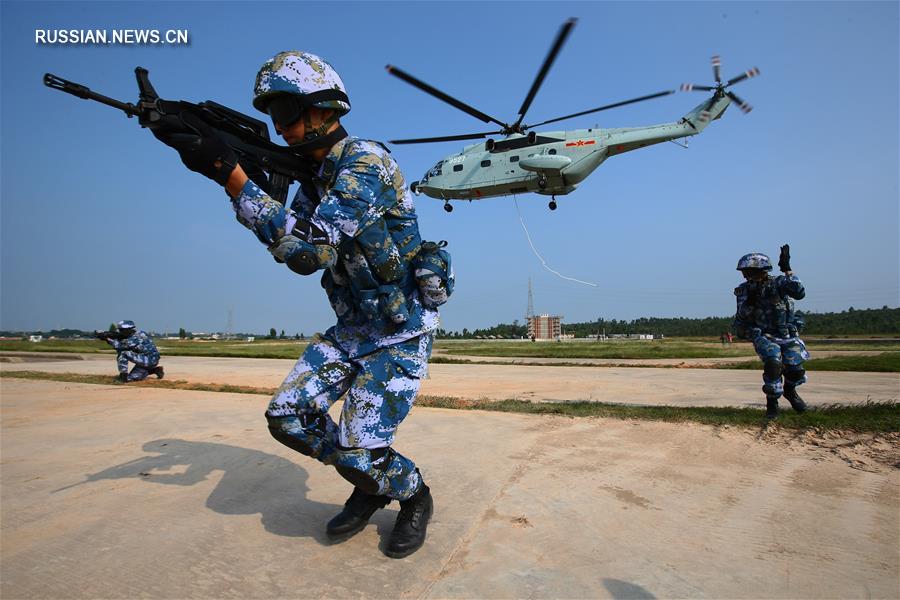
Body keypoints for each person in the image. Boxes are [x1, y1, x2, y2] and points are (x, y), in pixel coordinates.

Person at [150, 51, 452, 558]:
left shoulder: (365, 163)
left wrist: (232, 177)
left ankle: (413, 495)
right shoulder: (311, 184)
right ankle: (372, 478)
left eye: (287, 112)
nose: (280, 125)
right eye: (273, 115)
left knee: (360, 444)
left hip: (400, 332)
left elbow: (310, 249)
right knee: (288, 416)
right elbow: (296, 245)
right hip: (353, 329)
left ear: (323, 109)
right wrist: (228, 167)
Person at [732, 245, 809, 419]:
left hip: (787, 334)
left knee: (795, 369)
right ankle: (772, 403)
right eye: (744, 271)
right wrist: (749, 303)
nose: (745, 275)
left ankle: (790, 392)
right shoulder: (744, 290)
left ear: (761, 270)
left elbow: (799, 293)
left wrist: (788, 270)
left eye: (749, 270)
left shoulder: (780, 283)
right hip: (764, 334)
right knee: (773, 364)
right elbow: (742, 316)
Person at [97, 320, 164, 382]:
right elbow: (120, 336)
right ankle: (155, 370)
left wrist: (107, 339)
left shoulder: (136, 337)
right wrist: (109, 335)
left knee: (123, 353)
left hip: (149, 360)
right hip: (145, 360)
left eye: (122, 330)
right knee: (132, 378)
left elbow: (119, 346)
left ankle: (123, 376)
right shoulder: (140, 333)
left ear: (129, 330)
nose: (120, 332)